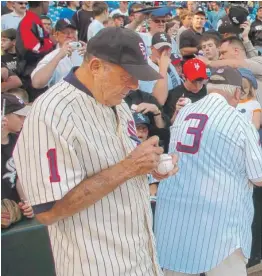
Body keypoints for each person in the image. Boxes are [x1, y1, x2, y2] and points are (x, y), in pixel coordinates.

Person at [13, 27, 179, 276]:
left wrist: (148, 165)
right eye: (127, 75)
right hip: (96, 265)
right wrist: (130, 167)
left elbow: (120, 164)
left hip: (141, 259)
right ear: (96, 66)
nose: (134, 84)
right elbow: (48, 211)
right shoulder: (50, 113)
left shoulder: (117, 102)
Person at [155, 67, 262, 276]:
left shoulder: (184, 112)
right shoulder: (239, 120)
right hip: (220, 222)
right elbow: (258, 177)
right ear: (238, 93)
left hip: (175, 214)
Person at [1, 93, 33, 218]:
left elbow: (19, 176)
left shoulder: (18, 139)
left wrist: (27, 202)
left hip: (14, 210)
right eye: (19, 116)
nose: (24, 119)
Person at [15, 1, 54, 102]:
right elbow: (32, 49)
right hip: (31, 76)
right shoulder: (27, 22)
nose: (48, 5)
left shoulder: (35, 21)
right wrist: (50, 44)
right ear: (42, 3)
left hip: (39, 73)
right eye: (47, 2)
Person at [31, 19, 85, 89]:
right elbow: (37, 83)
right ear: (56, 35)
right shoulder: (52, 56)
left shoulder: (83, 52)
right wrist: (59, 56)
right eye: (66, 33)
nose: (71, 36)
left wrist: (90, 55)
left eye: (73, 32)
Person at [139, 32, 181, 105]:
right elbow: (158, 102)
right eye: (161, 49)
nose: (164, 53)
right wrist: (163, 69)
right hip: (164, 112)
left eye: (167, 49)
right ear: (151, 48)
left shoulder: (168, 62)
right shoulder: (145, 70)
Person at [164, 58, 207, 122]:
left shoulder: (207, 91)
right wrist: (176, 113)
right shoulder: (173, 95)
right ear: (184, 77)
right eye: (193, 82)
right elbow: (168, 126)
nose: (198, 86)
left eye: (200, 81)